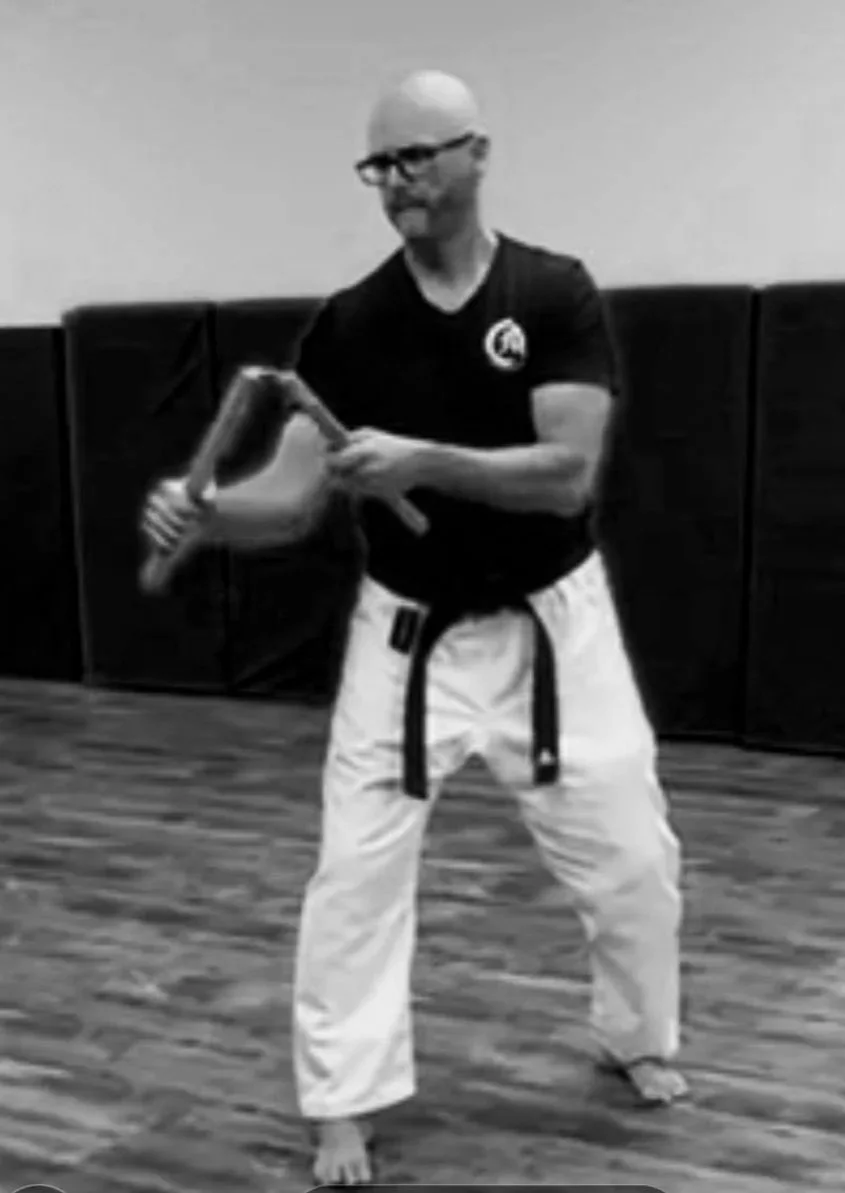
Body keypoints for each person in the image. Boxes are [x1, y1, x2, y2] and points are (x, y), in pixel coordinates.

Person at [141, 69, 686, 1187]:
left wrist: (423, 459)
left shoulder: (551, 295)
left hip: (553, 630)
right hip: (405, 635)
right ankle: (343, 1101)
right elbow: (290, 502)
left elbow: (567, 477)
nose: (397, 184)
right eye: (379, 166)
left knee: (635, 861)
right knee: (354, 875)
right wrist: (204, 510)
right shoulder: (349, 325)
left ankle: (634, 1034)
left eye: (417, 159)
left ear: (476, 154)